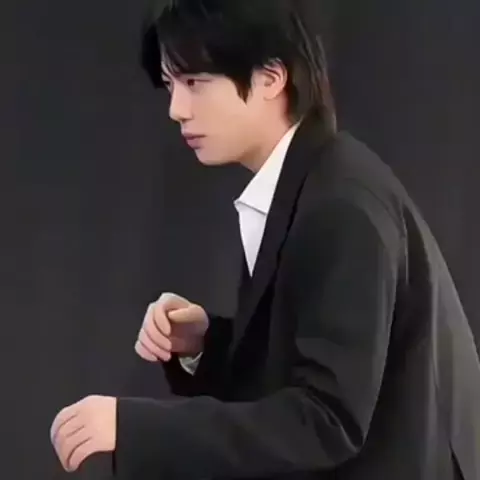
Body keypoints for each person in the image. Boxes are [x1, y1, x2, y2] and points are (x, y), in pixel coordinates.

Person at [50, 0, 480, 478]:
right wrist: (205, 343)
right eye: (171, 86)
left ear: (271, 78)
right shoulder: (310, 181)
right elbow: (310, 366)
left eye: (195, 83)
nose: (176, 110)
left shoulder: (342, 207)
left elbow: (327, 420)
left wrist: (131, 426)